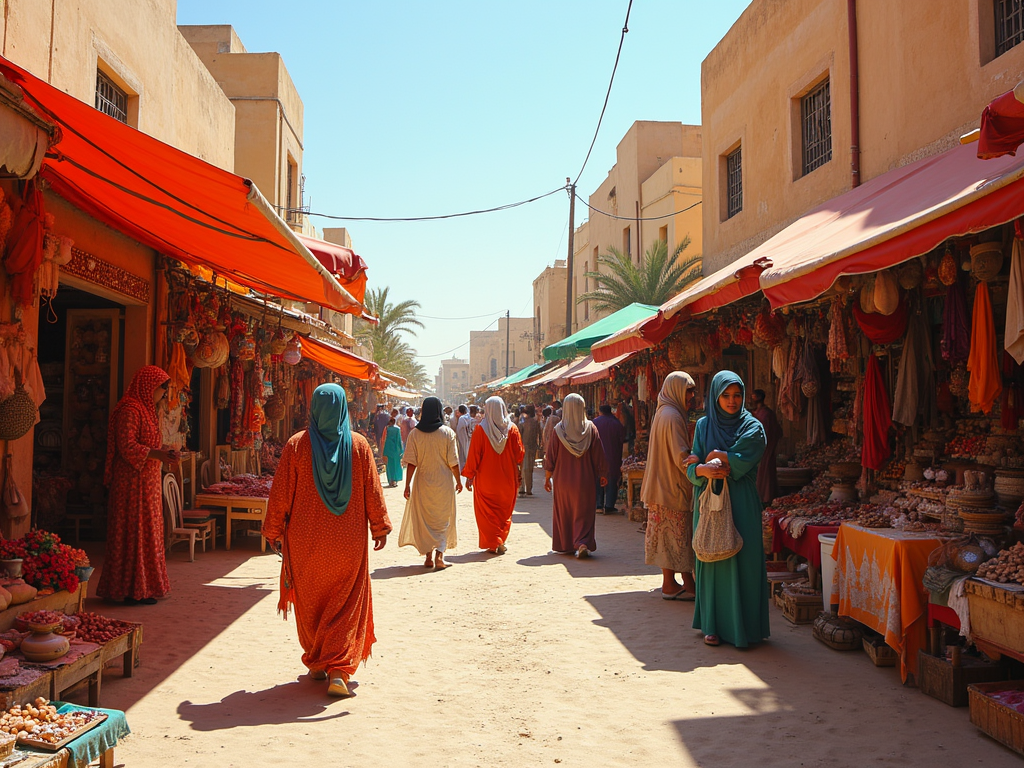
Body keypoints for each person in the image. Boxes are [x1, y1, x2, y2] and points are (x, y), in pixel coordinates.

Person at [263, 384, 391, 697]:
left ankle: (319, 662)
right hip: (347, 543)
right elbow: (373, 491)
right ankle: (338, 670)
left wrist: (273, 529)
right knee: (345, 603)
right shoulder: (359, 446)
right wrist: (379, 526)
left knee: (313, 603)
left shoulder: (296, 445)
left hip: (306, 543)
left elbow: (280, 493)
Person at [687, 371, 769, 648]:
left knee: (743, 562)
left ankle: (744, 628)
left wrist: (711, 458)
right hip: (709, 502)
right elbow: (691, 468)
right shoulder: (702, 426)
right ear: (715, 396)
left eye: (736, 396)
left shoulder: (753, 427)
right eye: (725, 396)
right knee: (712, 560)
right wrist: (701, 467)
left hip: (742, 503)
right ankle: (712, 626)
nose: (732, 401)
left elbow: (739, 460)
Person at [97, 366, 178, 605]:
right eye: (161, 388)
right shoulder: (130, 410)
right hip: (131, 484)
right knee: (132, 533)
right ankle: (129, 590)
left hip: (147, 483)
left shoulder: (147, 411)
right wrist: (157, 455)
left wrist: (164, 454)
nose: (163, 393)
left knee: (147, 532)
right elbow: (127, 446)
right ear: (148, 386)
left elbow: (147, 446)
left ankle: (144, 588)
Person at [642, 372, 699, 601]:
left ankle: (677, 583)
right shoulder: (673, 416)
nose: (692, 397)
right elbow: (680, 456)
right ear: (676, 390)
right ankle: (676, 583)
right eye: (688, 391)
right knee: (679, 536)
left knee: (669, 538)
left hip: (660, 486)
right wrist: (698, 463)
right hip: (671, 486)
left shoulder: (663, 412)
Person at [399, 397, 463, 569]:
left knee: (426, 519)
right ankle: (439, 557)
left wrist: (407, 485)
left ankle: (428, 557)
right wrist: (458, 481)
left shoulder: (415, 434)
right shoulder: (447, 433)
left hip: (423, 482)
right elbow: (453, 462)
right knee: (443, 519)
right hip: (443, 483)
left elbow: (411, 462)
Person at [542, 393, 608, 559]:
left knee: (565, 512)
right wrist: (603, 474)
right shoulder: (591, 429)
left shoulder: (558, 431)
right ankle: (582, 542)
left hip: (563, 481)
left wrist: (547, 477)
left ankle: (567, 544)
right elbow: (599, 455)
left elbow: (551, 457)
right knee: (583, 512)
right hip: (585, 481)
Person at [463, 396, 524, 555]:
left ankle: (494, 542)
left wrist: (469, 475)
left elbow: (474, 455)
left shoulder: (480, 429)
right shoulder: (512, 429)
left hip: (486, 479)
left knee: (487, 512)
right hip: (507, 478)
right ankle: (500, 539)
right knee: (504, 511)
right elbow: (519, 455)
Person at [750, 389, 781, 506]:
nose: (751, 400)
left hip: (765, 448)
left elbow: (774, 431)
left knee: (766, 471)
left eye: (754, 397)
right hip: (754, 448)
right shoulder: (755, 413)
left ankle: (766, 498)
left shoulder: (767, 414)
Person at [593, 404, 626, 514]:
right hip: (613, 456)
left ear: (600, 411)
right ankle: (609, 505)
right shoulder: (616, 423)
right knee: (612, 480)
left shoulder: (595, 423)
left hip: (597, 457)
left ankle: (598, 505)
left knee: (598, 480)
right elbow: (623, 438)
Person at [518, 404, 541, 496]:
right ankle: (528, 489)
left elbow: (519, 435)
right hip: (532, 447)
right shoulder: (536, 422)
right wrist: (539, 445)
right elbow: (539, 435)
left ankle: (522, 488)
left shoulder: (522, 422)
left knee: (523, 468)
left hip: (524, 447)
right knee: (529, 468)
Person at [382, 417, 404, 487]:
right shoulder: (397, 429)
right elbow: (399, 440)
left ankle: (390, 480)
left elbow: (383, 439)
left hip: (388, 448)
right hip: (396, 449)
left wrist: (383, 451)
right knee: (396, 465)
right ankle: (395, 480)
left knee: (389, 465)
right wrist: (401, 450)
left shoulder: (387, 429)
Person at [456, 405, 477, 473]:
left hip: (473, 441)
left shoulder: (479, 419)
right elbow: (459, 430)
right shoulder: (462, 419)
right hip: (464, 441)